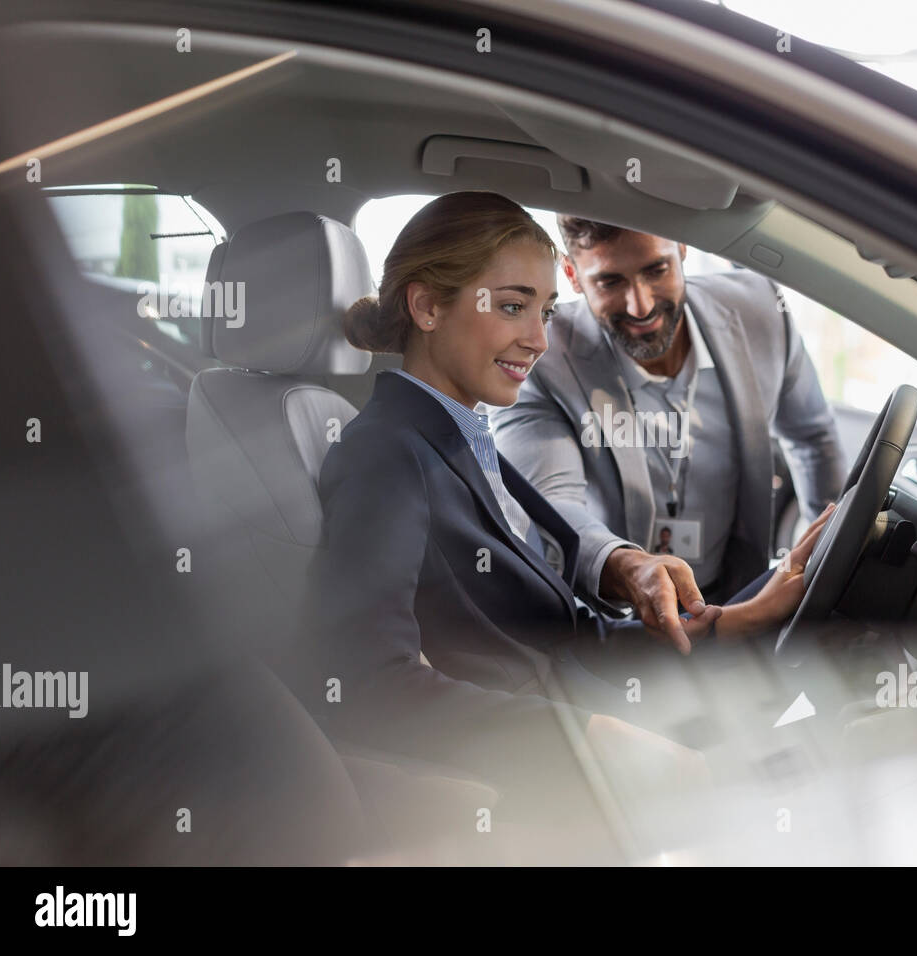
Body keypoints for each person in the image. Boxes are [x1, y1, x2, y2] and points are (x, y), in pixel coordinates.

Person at [304, 191, 831, 830]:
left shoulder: (460, 436)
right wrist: (583, 740)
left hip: (597, 713)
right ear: (426, 307)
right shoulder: (386, 454)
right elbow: (363, 684)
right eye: (511, 307)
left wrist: (734, 620)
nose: (537, 339)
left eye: (546, 311)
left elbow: (571, 634)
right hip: (552, 780)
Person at [490, 216, 847, 614]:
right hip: (616, 618)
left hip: (741, 593)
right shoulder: (540, 359)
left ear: (681, 248)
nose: (639, 305)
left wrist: (823, 567)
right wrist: (627, 568)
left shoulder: (760, 309)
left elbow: (813, 439)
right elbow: (551, 502)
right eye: (610, 282)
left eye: (655, 270)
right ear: (572, 275)